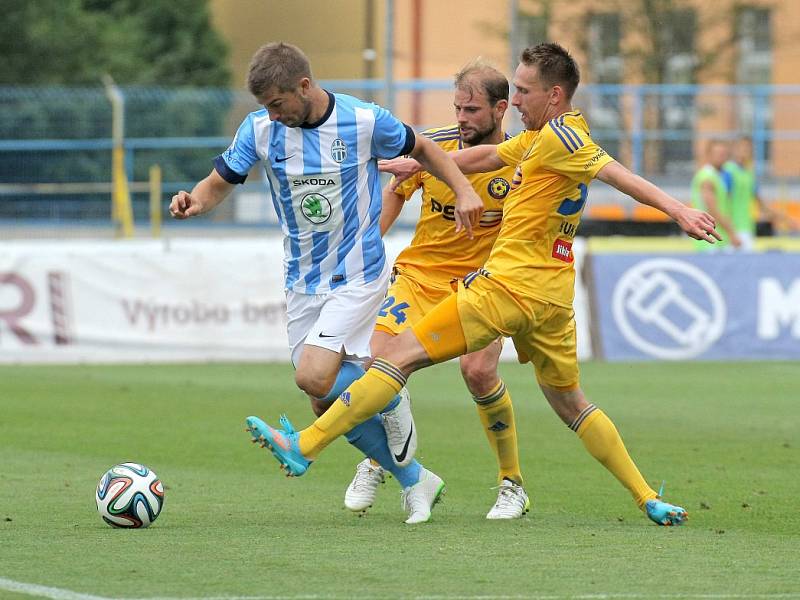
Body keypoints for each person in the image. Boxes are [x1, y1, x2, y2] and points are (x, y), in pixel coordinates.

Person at [246, 42, 721, 526]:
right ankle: (647, 498)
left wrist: (678, 209)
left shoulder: (564, 137)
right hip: (554, 298)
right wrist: (418, 163)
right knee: (572, 403)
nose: (516, 100)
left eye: (523, 91)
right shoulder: (539, 140)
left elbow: (615, 173)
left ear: (555, 95)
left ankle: (305, 445)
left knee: (397, 359)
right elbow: (493, 155)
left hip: (507, 286)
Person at [170, 42, 485, 524]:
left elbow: (423, 148)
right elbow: (221, 180)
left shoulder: (362, 121)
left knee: (312, 375)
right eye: (265, 108)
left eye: (278, 104)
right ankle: (414, 476)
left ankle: (388, 387)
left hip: (357, 273)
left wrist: (463, 188)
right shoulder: (259, 130)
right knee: (322, 398)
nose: (272, 116)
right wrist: (193, 200)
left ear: (304, 86)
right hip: (302, 280)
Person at [343, 59, 529, 520]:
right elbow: (394, 196)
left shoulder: (521, 159)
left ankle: (512, 484)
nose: (461, 118)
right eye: (457, 108)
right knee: (378, 366)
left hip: (483, 283)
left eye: (471, 110)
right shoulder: (433, 149)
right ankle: (378, 461)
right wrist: (363, 255)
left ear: (500, 109)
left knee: (479, 373)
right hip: (420, 276)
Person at [722, 136, 799, 250]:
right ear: (734, 149)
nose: (745, 151)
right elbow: (721, 203)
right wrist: (730, 232)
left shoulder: (749, 174)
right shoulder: (727, 171)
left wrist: (787, 219)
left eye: (748, 149)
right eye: (742, 147)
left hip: (746, 229)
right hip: (730, 231)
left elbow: (761, 205)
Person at [691, 140, 741, 251]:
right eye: (718, 154)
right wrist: (732, 233)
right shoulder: (707, 178)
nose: (722, 157)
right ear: (708, 155)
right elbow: (713, 210)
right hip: (708, 241)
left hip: (716, 238)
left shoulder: (717, 176)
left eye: (724, 154)